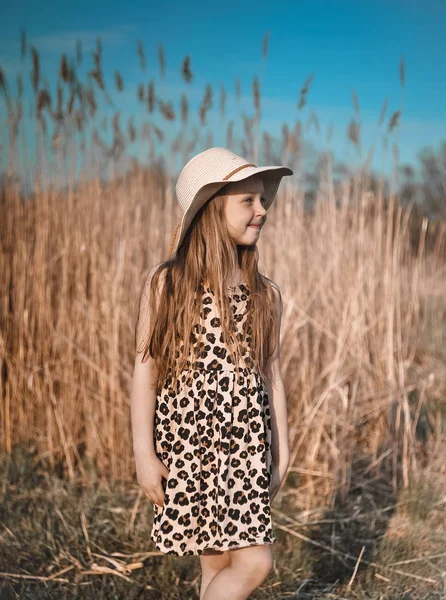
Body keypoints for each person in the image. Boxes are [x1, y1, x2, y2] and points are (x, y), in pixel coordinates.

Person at [130, 147, 293, 600]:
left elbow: (272, 375)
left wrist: (283, 450)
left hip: (245, 446)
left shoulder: (265, 293)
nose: (262, 210)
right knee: (228, 562)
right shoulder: (168, 283)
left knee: (248, 560)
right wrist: (145, 455)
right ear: (210, 209)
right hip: (191, 442)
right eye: (249, 200)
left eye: (262, 200)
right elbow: (145, 371)